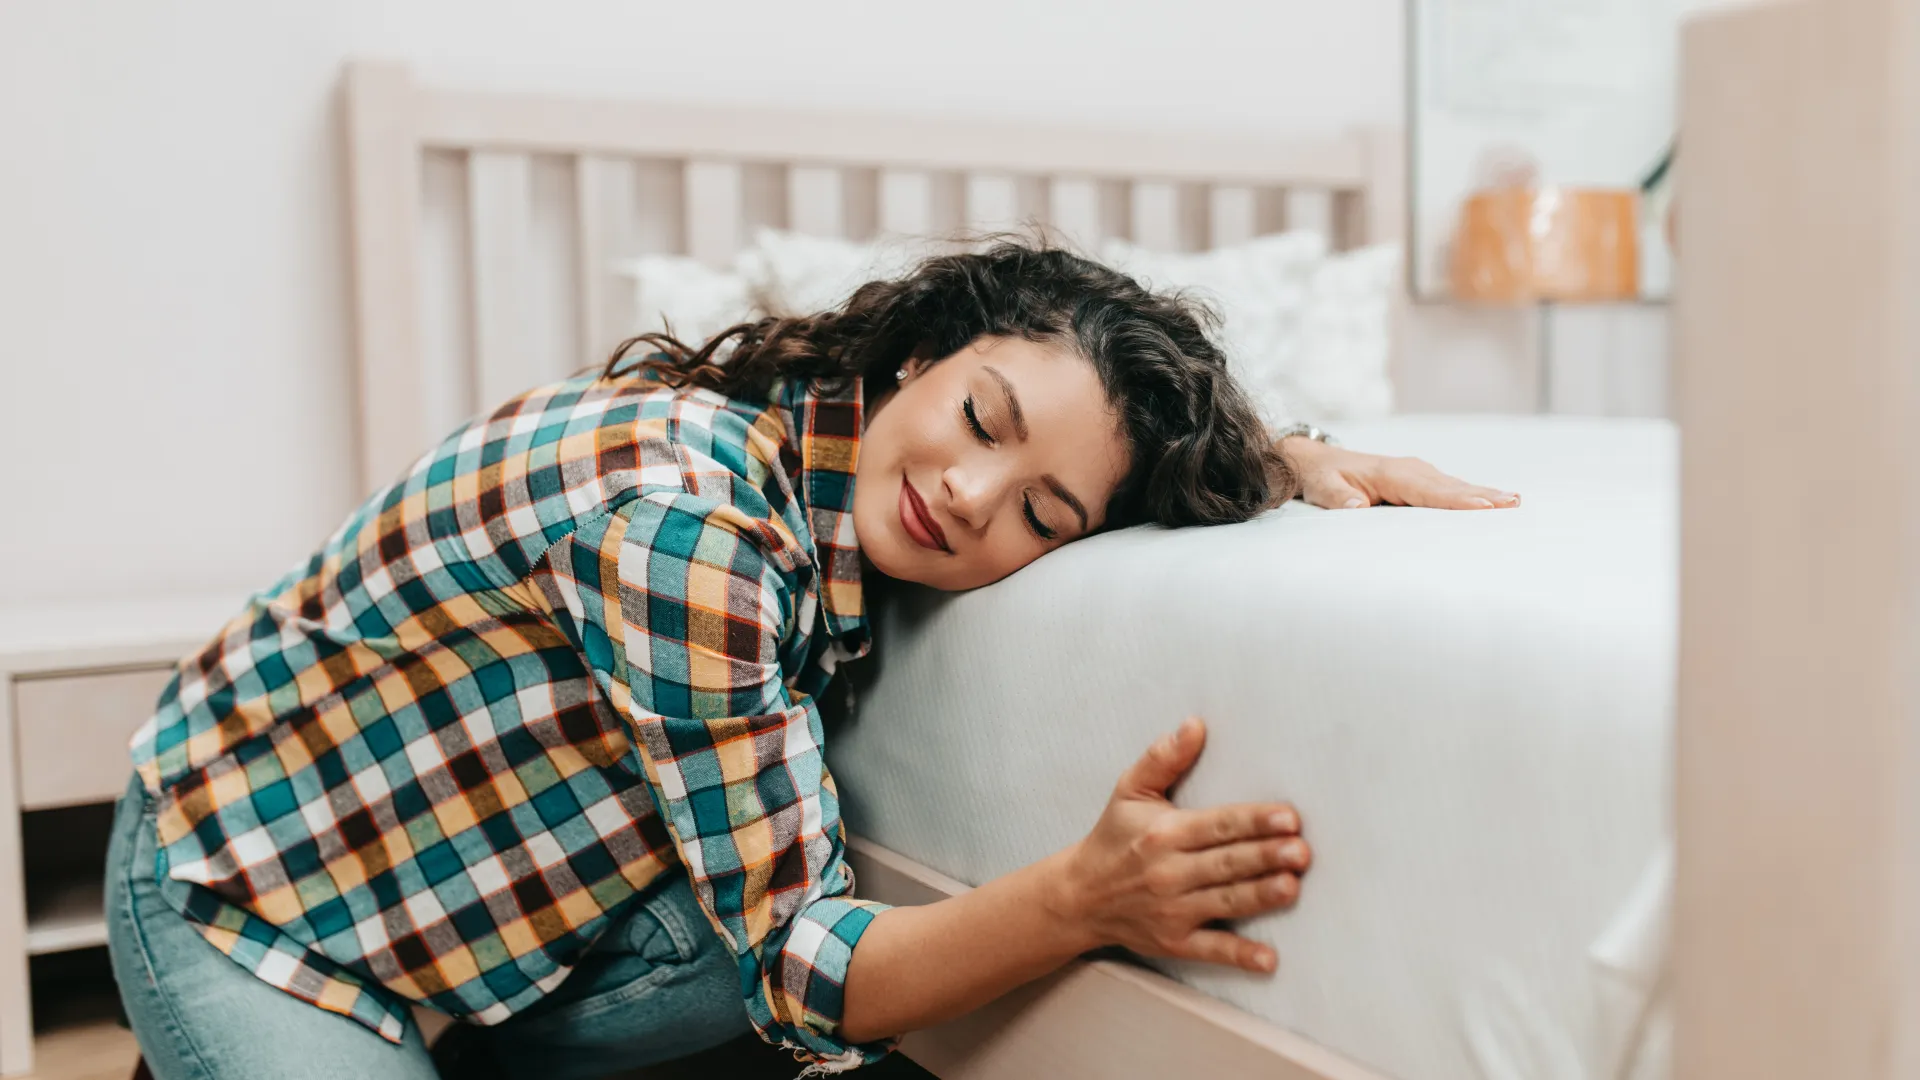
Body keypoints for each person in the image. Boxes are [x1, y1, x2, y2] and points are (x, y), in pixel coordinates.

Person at [108, 242, 1518, 1079]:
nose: (972, 496)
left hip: (498, 901)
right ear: (915, 358)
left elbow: (1076, 456)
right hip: (258, 901)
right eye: (980, 415)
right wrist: (1081, 900)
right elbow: (794, 963)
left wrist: (1277, 457)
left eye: (1046, 514)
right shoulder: (693, 528)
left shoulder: (812, 444)